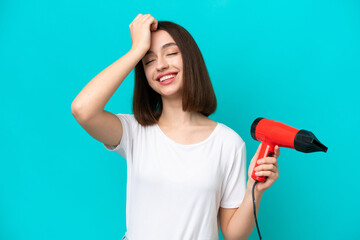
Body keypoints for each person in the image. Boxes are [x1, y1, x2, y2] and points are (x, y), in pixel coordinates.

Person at [71, 14, 280, 240]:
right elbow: (83, 109)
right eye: (148, 60)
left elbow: (233, 234)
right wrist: (136, 50)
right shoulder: (134, 131)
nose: (161, 65)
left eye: (171, 53)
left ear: (191, 60)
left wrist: (254, 189)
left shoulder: (228, 143)